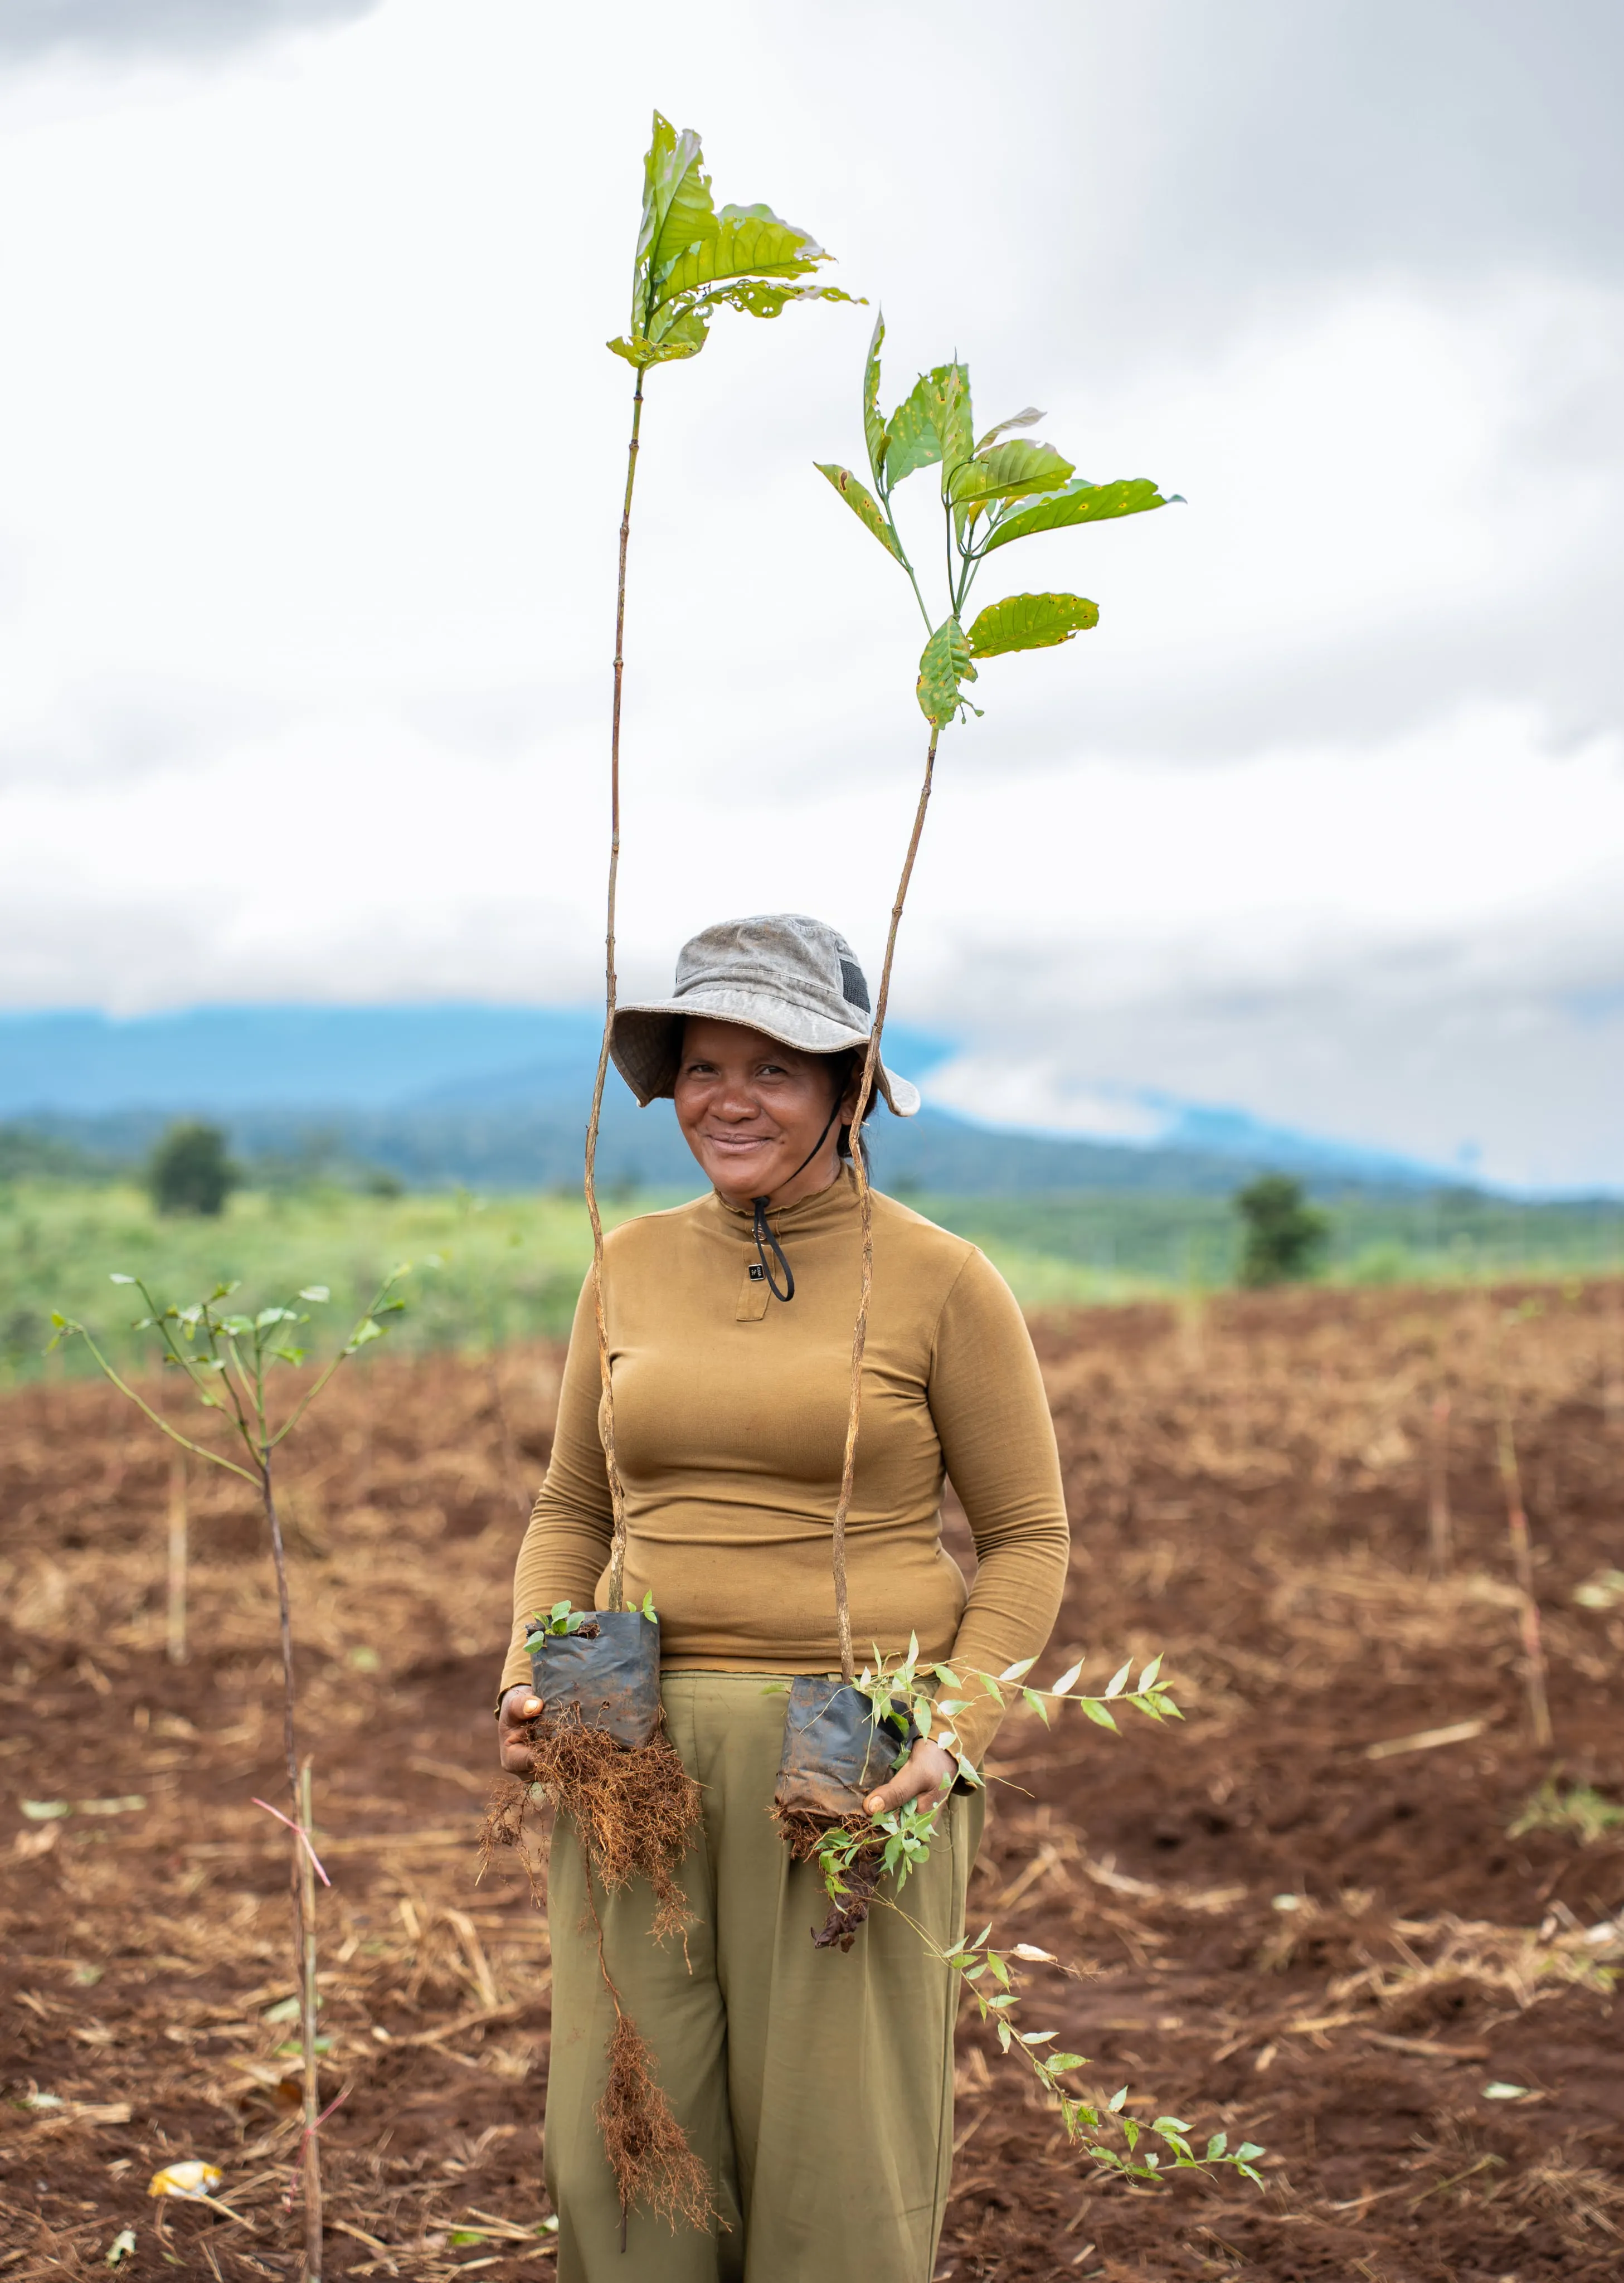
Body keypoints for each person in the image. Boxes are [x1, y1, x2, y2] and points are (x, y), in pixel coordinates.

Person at [496, 913, 1070, 2283]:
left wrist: (951, 1731)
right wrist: (534, 1667)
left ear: (848, 1088)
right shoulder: (627, 1260)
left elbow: (1028, 1537)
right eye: (702, 1064)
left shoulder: (936, 1277)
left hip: (850, 1725)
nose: (728, 1098)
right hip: (617, 1707)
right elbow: (573, 1508)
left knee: (834, 2143)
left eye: (775, 1066)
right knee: (622, 2130)